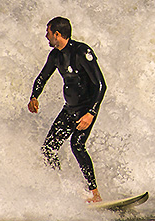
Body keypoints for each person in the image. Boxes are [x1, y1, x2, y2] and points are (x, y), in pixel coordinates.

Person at [27, 17, 107, 203]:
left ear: (57, 34)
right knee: (49, 149)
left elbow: (101, 85)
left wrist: (91, 113)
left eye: (48, 32)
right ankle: (66, 187)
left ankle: (95, 194)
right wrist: (34, 96)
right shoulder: (55, 55)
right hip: (69, 109)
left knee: (77, 146)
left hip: (86, 109)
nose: (46, 36)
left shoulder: (81, 51)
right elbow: (42, 77)